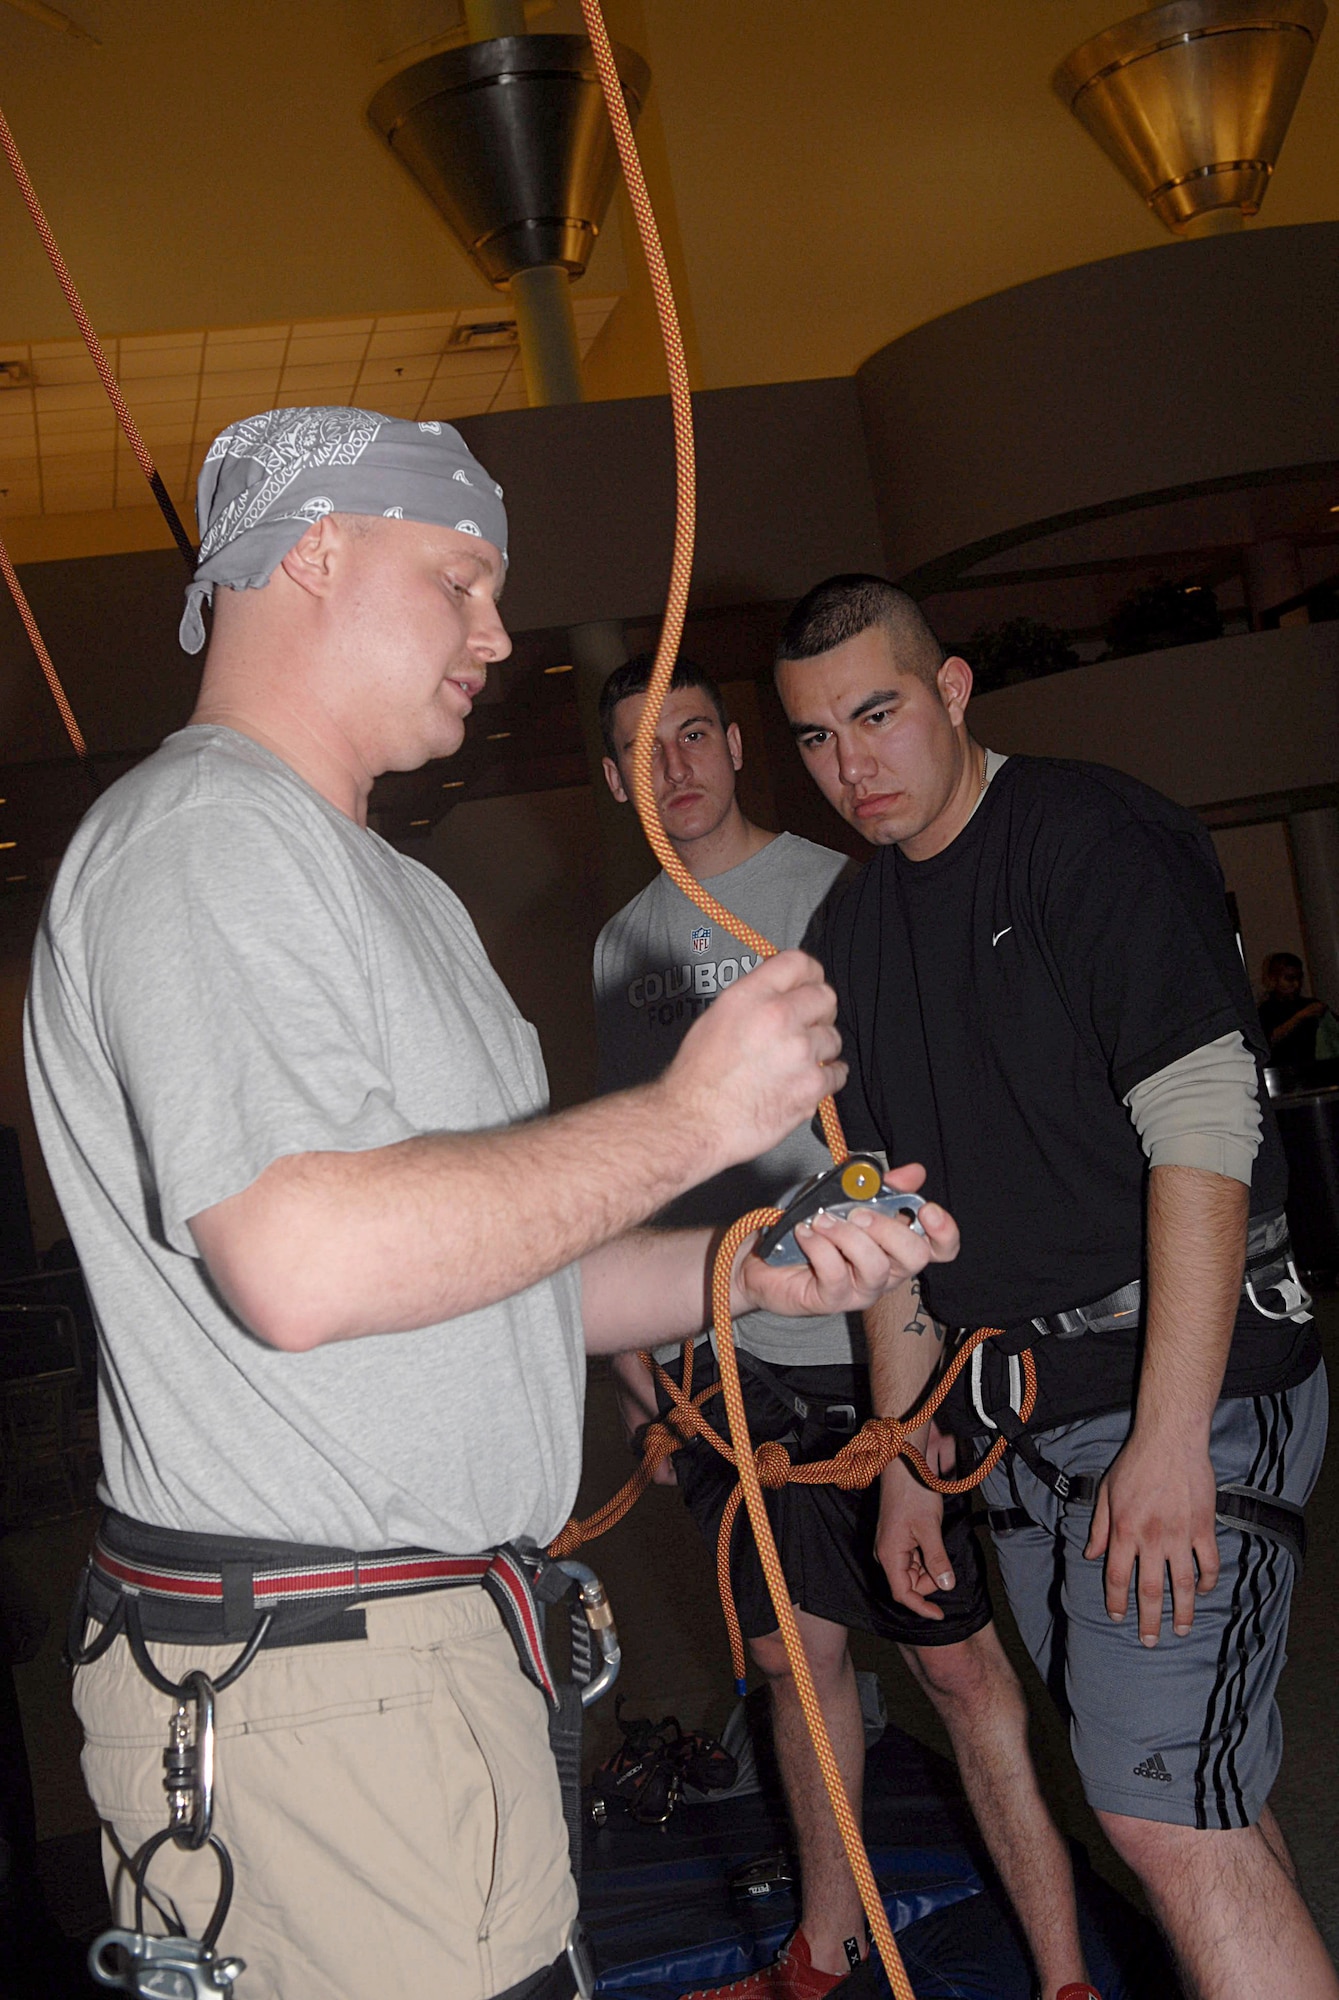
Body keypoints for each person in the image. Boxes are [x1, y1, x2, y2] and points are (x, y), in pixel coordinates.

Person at [21, 416, 958, 2000]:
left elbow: (509, 1271)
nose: (498, 632)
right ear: (313, 553)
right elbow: (302, 1259)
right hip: (317, 1688)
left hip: (422, 1669)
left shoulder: (389, 887)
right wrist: (682, 1122)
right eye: (459, 577)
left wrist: (747, 1269)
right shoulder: (203, 843)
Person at [774, 572, 1334, 2000]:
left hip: (1179, 1392)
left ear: (952, 690)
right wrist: (905, 1463)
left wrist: (1165, 1433)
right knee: (1188, 1799)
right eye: (818, 738)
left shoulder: (1082, 836)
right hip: (1011, 1427)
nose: (853, 765)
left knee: (1151, 1813)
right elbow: (888, 1226)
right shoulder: (849, 931)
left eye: (878, 714)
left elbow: (1206, 1137)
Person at [593, 652, 1097, 2000]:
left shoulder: (834, 892)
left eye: (694, 734)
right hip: (728, 1370)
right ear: (613, 782)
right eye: (644, 753)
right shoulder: (619, 941)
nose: (677, 769)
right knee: (785, 1660)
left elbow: (903, 1141)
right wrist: (645, 1392)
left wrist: (894, 1419)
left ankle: (1060, 1972)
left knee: (960, 1675)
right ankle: (821, 1949)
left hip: (882, 1354)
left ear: (737, 744)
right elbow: (635, 1172)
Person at [1258, 952, 1329, 1070]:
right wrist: (1301, 1016)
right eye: (1289, 979)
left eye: (1299, 978)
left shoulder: (1310, 1004)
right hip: (1282, 1073)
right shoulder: (1266, 1010)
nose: (1296, 984)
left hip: (1315, 1071)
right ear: (1273, 979)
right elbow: (1269, 1040)